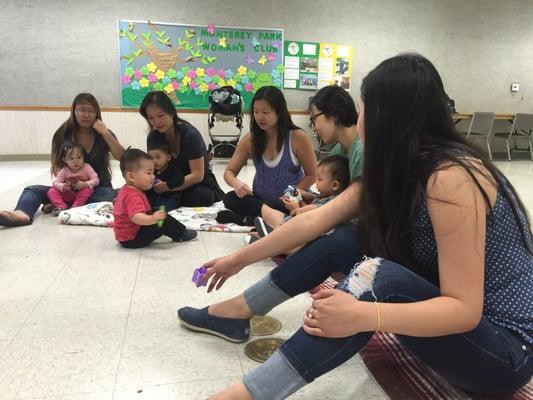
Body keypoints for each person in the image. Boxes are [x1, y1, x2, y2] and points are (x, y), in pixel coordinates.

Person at [178, 54, 533, 399]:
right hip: (465, 334)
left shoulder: (450, 177)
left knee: (380, 275)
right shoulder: (400, 169)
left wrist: (366, 314)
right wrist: (236, 261)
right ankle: (240, 309)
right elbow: (316, 221)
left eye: (362, 109)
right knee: (346, 239)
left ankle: (245, 395)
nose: (358, 119)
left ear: (386, 117)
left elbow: (464, 309)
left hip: (502, 353)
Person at [0, 93, 124, 227]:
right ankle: (22, 214)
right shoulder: (63, 134)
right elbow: (56, 166)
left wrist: (105, 133)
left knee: (107, 195)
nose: (86, 115)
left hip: (97, 188)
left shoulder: (103, 133)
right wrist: (65, 185)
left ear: (97, 113)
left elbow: (121, 156)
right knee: (32, 190)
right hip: (68, 190)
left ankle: (60, 204)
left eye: (91, 110)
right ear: (74, 111)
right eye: (82, 109)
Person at [219, 86, 317, 225]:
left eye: (265, 112)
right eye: (256, 112)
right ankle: (265, 216)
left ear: (279, 112)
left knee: (279, 206)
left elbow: (311, 175)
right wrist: (237, 184)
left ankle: (252, 218)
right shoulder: (250, 140)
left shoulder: (297, 137)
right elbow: (229, 172)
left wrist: (290, 194)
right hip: (260, 199)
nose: (260, 117)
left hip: (289, 200)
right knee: (229, 198)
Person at [140, 91, 224, 207]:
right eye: (151, 118)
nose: (156, 122)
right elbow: (153, 167)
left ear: (171, 112)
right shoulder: (153, 136)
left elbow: (197, 175)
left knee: (202, 196)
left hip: (194, 183)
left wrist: (167, 187)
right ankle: (171, 197)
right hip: (166, 179)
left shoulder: (190, 135)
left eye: (160, 116)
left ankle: (173, 197)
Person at [113, 148, 196, 249]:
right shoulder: (133, 196)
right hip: (133, 239)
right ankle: (181, 234)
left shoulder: (126, 189)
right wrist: (152, 219)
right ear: (131, 176)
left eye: (153, 173)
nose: (153, 177)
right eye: (149, 173)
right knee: (164, 220)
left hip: (124, 237)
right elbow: (136, 217)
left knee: (157, 211)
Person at [257, 154, 350, 237]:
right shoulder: (325, 196)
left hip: (305, 231)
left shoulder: (332, 204)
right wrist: (307, 195)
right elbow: (315, 200)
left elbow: (307, 216)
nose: (316, 183)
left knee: (281, 218)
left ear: (334, 185)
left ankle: (274, 235)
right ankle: (270, 232)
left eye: (320, 179)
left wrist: (296, 207)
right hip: (301, 224)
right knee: (269, 208)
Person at [309, 84, 363, 181]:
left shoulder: (361, 150)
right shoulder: (338, 150)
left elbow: (360, 195)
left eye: (314, 119)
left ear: (333, 115)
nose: (314, 128)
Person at [47, 141, 100, 215]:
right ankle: (61, 206)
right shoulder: (65, 170)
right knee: (51, 191)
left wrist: (85, 184)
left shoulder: (87, 167)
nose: (76, 161)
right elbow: (55, 182)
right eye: (71, 158)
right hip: (68, 193)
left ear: (83, 157)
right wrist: (62, 186)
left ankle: (76, 207)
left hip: (82, 194)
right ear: (65, 160)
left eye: (79, 157)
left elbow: (96, 180)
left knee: (86, 190)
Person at [146, 139, 185, 211]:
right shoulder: (152, 171)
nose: (154, 161)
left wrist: (166, 185)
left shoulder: (172, 170)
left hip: (170, 196)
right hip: (156, 195)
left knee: (165, 204)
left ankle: (158, 211)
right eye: (151, 158)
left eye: (157, 157)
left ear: (168, 157)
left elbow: (180, 179)